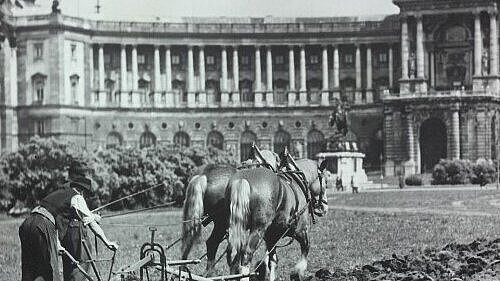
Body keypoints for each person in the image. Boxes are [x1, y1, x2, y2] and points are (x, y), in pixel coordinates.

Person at [19, 159, 119, 281]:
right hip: (43, 225)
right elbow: (91, 223)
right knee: (50, 273)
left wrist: (57, 243)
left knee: (31, 269)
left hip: (28, 223)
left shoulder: (59, 193)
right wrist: (107, 242)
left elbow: (48, 216)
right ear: (82, 190)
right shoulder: (77, 196)